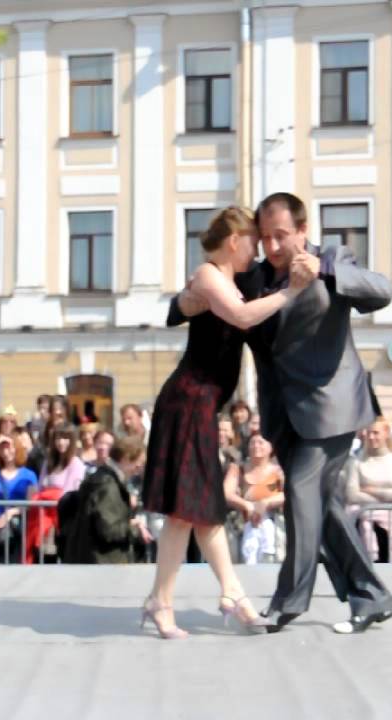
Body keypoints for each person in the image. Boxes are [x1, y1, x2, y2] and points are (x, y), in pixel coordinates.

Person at [171, 193, 392, 635]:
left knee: (302, 490)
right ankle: (372, 595)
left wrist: (327, 272)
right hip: (283, 414)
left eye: (282, 236)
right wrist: (190, 301)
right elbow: (183, 305)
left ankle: (287, 602)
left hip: (333, 404)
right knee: (322, 506)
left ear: (303, 231)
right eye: (265, 237)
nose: (273, 246)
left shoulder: (331, 258)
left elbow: (382, 290)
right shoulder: (253, 278)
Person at [144, 204, 312, 639]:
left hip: (202, 406)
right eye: (254, 243)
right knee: (188, 512)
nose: (258, 253)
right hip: (187, 402)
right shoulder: (207, 275)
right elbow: (239, 317)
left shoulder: (231, 281)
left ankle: (224, 594)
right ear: (235, 241)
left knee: (201, 510)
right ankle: (170, 602)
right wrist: (290, 293)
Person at [61, 435, 148, 564]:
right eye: (138, 465)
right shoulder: (107, 485)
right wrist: (134, 528)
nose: (138, 471)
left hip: (95, 562)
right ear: (125, 459)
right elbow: (108, 530)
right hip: (102, 564)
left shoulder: (104, 479)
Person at [345, 417, 392, 564]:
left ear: (386, 433)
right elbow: (352, 494)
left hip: (391, 527)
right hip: (363, 525)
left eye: (375, 432)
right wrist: (386, 499)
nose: (371, 437)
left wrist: (372, 491)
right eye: (368, 433)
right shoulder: (356, 462)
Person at [228, 433, 286, 565]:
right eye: (252, 442)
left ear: (270, 447)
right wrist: (247, 506)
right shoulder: (238, 469)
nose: (256, 446)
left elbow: (289, 493)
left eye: (261, 442)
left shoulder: (279, 471)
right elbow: (226, 493)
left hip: (275, 525)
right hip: (244, 523)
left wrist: (266, 503)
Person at [0, 435, 38, 563]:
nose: (6, 452)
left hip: (17, 525)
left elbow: (31, 503)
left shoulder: (28, 474)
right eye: (2, 449)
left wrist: (10, 513)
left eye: (9, 448)